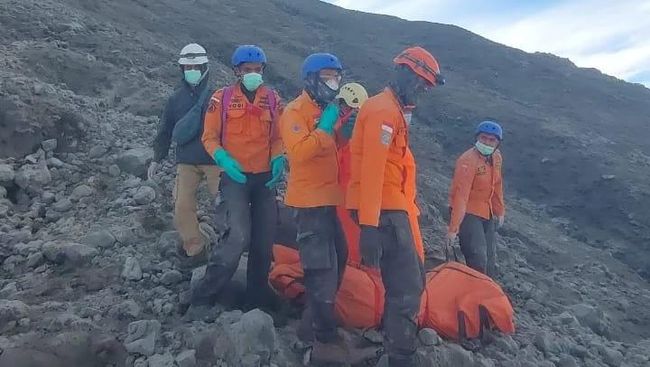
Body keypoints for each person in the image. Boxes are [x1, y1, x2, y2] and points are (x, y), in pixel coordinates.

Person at [346, 46, 445, 366]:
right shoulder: (383, 112)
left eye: (426, 87)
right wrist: (369, 226)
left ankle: (394, 346)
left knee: (409, 280)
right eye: (420, 82)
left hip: (392, 208)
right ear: (404, 72)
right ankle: (400, 356)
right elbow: (373, 172)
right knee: (406, 285)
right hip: (385, 211)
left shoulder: (391, 110)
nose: (422, 91)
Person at [280, 54, 363, 364]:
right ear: (311, 79)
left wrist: (343, 132)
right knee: (320, 272)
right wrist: (327, 129)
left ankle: (310, 324)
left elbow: (331, 149)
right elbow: (300, 154)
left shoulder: (324, 110)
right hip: (308, 203)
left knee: (339, 258)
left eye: (337, 77)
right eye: (328, 76)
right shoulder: (294, 112)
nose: (334, 82)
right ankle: (321, 338)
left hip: (328, 201)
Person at [191, 45, 285, 309]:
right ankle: (204, 296)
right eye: (248, 70)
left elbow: (278, 137)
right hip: (235, 179)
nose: (253, 74)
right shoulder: (221, 99)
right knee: (237, 237)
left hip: (265, 179)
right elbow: (209, 137)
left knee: (264, 242)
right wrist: (223, 159)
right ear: (237, 71)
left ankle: (255, 301)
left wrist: (279, 157)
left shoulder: (273, 99)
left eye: (257, 70)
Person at [149, 43, 219, 258]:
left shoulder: (218, 96)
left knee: (228, 203)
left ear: (204, 67)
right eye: (188, 68)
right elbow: (165, 129)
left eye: (195, 67)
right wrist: (156, 158)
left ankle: (234, 243)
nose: (192, 71)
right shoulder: (175, 99)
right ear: (182, 69)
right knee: (181, 206)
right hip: (187, 161)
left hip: (216, 160)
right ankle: (195, 247)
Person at [447, 120, 505, 277]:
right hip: (468, 213)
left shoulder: (496, 158)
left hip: (487, 212)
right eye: (483, 138)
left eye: (491, 140)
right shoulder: (468, 160)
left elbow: (497, 184)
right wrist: (454, 228)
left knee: (490, 260)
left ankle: (489, 295)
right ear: (477, 138)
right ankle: (475, 296)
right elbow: (461, 195)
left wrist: (499, 211)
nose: (487, 142)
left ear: (497, 143)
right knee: (478, 259)